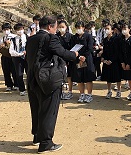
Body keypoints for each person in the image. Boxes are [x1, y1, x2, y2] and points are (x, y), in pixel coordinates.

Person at [25, 15, 80, 153]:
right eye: (56, 27)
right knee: (49, 110)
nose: (56, 30)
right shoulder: (50, 38)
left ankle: (37, 136)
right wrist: (74, 55)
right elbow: (62, 53)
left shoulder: (31, 39)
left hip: (32, 78)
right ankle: (46, 143)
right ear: (50, 26)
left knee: (36, 107)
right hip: (47, 79)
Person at [71, 21, 95, 103]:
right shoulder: (74, 37)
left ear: (84, 28)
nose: (78, 29)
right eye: (77, 28)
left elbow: (90, 48)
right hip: (78, 59)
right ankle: (82, 94)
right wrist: (79, 56)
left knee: (88, 77)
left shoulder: (88, 36)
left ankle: (89, 95)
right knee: (79, 78)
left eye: (80, 28)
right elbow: (72, 48)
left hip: (87, 59)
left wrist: (84, 56)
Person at [101, 23, 122, 99]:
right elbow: (104, 50)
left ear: (112, 30)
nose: (106, 30)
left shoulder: (116, 39)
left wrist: (111, 60)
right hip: (106, 61)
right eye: (105, 29)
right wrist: (103, 58)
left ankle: (119, 91)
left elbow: (117, 51)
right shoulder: (105, 40)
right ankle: (109, 91)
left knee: (117, 77)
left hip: (115, 61)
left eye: (108, 29)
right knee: (108, 77)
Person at [0, 22, 17, 91]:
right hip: (5, 56)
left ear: (10, 29)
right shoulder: (1, 39)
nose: (6, 31)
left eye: (7, 29)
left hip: (13, 56)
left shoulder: (14, 37)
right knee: (6, 71)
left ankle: (16, 84)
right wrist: (3, 44)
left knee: (14, 70)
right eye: (4, 29)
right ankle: (9, 85)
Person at [120, 23, 131, 101]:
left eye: (125, 29)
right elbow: (120, 52)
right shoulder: (122, 40)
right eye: (123, 29)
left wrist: (129, 63)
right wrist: (122, 62)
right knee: (129, 78)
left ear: (129, 30)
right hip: (124, 61)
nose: (124, 31)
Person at [9, 23, 28, 96]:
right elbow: (11, 51)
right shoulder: (13, 39)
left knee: (29, 73)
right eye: (18, 30)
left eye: (21, 29)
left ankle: (30, 88)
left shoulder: (27, 37)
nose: (20, 31)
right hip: (17, 59)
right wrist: (19, 54)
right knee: (19, 74)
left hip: (27, 58)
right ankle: (22, 89)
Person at [57, 20, 73, 100]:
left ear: (66, 27)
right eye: (59, 27)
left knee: (69, 76)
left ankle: (70, 92)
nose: (61, 28)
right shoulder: (56, 36)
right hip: (59, 59)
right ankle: (61, 92)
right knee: (60, 75)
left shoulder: (70, 36)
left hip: (68, 58)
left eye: (63, 27)